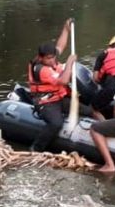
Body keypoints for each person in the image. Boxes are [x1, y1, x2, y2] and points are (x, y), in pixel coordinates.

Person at [27, 19, 78, 151]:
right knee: (56, 124)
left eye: (53, 57)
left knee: (89, 110)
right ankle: (36, 148)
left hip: (59, 97)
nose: (52, 60)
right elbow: (64, 81)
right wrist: (69, 63)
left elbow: (60, 46)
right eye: (49, 58)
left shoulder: (50, 58)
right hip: (46, 102)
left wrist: (66, 29)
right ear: (41, 57)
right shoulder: (41, 69)